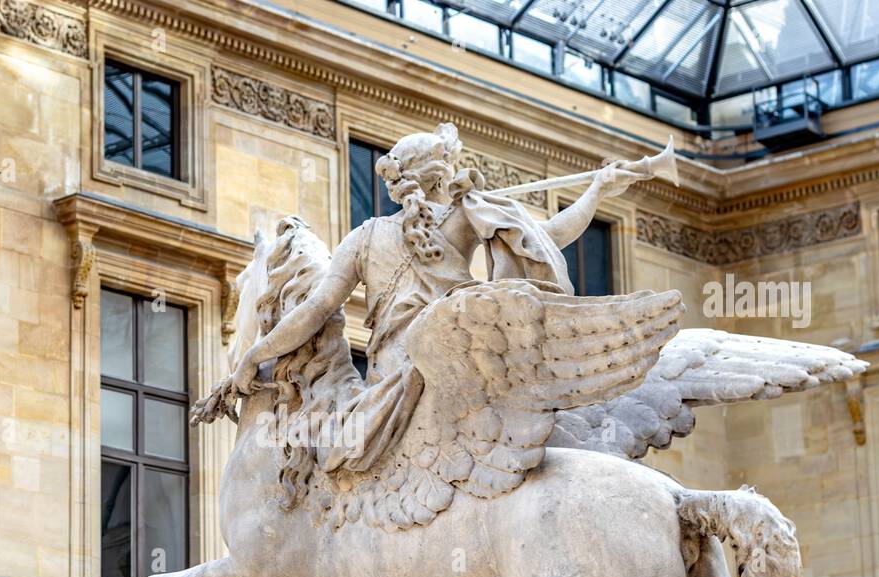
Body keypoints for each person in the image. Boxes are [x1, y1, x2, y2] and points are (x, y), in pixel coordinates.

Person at [226, 122, 649, 474]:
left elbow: (315, 310)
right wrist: (597, 190)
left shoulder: (364, 236)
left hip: (391, 377)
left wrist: (255, 353)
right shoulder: (467, 215)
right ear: (442, 174)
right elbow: (550, 236)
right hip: (460, 367)